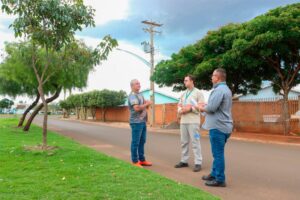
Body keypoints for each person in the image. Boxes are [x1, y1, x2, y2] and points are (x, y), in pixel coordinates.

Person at [198, 68, 233, 187]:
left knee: (218, 154)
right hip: (224, 126)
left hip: (218, 127)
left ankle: (220, 179)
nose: (211, 78)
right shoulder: (226, 89)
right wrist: (206, 106)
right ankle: (214, 173)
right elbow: (216, 106)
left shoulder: (219, 90)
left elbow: (211, 108)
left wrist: (200, 107)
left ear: (217, 78)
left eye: (213, 75)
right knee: (217, 153)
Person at [175, 75, 205, 172]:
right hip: (183, 121)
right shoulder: (183, 93)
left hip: (193, 122)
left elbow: (201, 107)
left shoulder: (198, 93)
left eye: (186, 80)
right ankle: (184, 161)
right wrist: (181, 110)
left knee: (195, 142)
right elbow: (179, 105)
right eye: (184, 80)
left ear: (192, 81)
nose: (184, 82)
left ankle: (198, 162)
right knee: (184, 142)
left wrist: (190, 108)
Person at [128, 79, 153, 168]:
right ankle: (135, 161)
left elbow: (144, 104)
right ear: (132, 86)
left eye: (139, 83)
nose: (139, 85)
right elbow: (137, 108)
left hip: (142, 122)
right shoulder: (132, 96)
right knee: (136, 142)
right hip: (136, 122)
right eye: (137, 84)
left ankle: (142, 160)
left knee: (142, 141)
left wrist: (147, 103)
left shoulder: (140, 94)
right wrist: (147, 104)